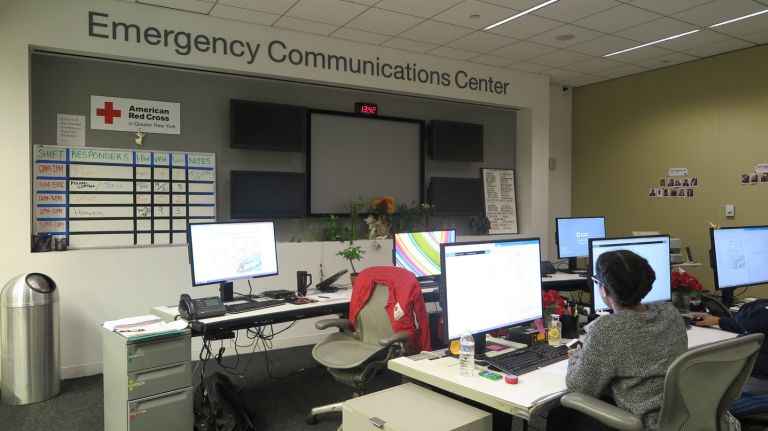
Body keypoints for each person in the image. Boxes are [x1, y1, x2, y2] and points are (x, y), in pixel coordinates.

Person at [547, 250, 688, 430]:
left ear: (604, 290)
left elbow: (579, 387)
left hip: (645, 422)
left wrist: (576, 356)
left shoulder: (607, 328)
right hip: (681, 416)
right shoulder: (670, 313)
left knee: (561, 413)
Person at [693, 300, 768, 420]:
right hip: (752, 374)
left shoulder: (759, 317)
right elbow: (749, 324)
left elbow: (751, 319)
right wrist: (718, 320)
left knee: (700, 398)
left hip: (760, 382)